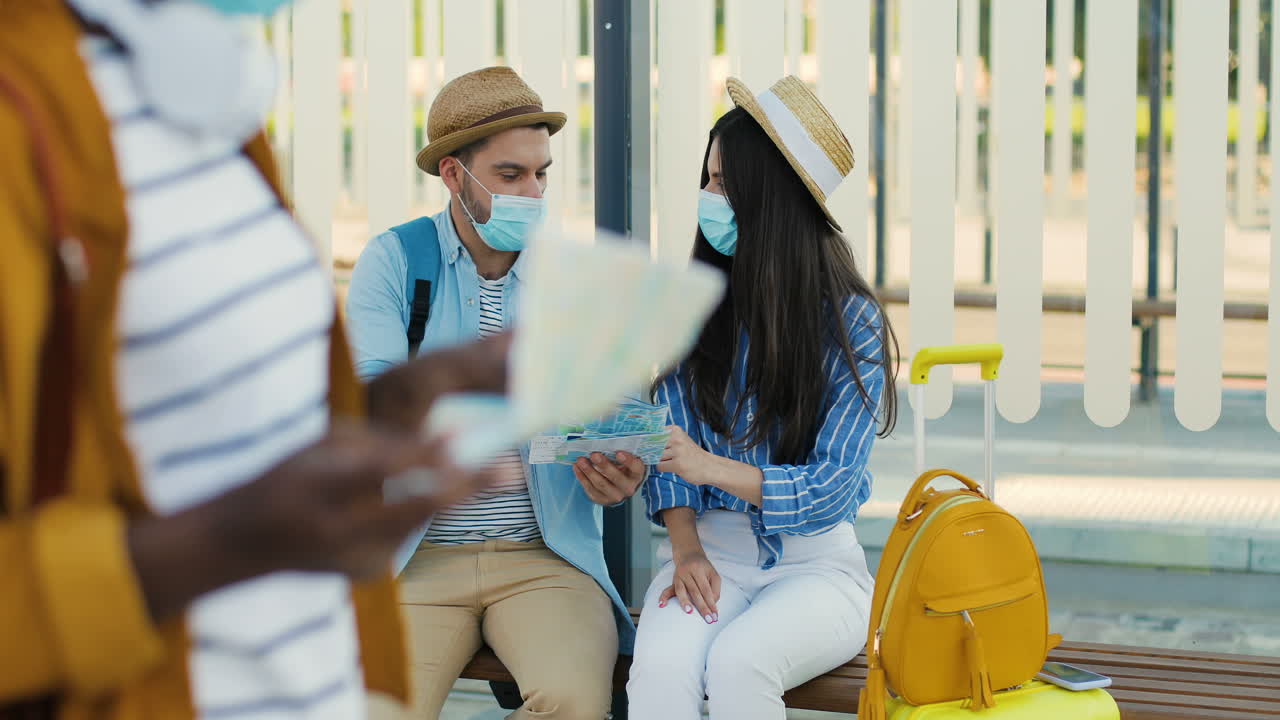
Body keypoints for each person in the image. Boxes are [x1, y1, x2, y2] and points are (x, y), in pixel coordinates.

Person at [0, 1, 506, 718]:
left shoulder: (187, 80)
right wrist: (224, 544)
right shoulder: (25, 109)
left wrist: (385, 409)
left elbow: (194, 425)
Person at [345, 67, 641, 719]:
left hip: (545, 558)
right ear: (454, 175)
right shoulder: (395, 262)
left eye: (542, 174)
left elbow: (618, 409)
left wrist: (621, 468)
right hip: (416, 556)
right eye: (511, 175)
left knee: (570, 701)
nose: (533, 193)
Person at [625, 75, 900, 720]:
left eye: (725, 184)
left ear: (770, 199)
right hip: (705, 553)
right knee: (659, 674)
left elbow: (833, 486)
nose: (708, 197)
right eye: (709, 178)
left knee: (740, 665)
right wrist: (686, 547)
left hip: (817, 570)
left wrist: (707, 466)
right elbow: (670, 455)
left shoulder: (850, 321)